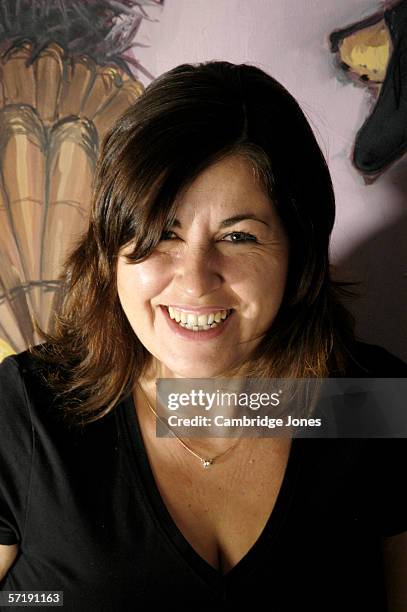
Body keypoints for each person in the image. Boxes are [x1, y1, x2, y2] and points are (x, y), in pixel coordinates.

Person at [0, 61, 405, 611]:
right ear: (113, 247)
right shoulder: (27, 410)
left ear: (300, 253)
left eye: (239, 236)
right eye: (162, 232)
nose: (194, 279)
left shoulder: (374, 402)